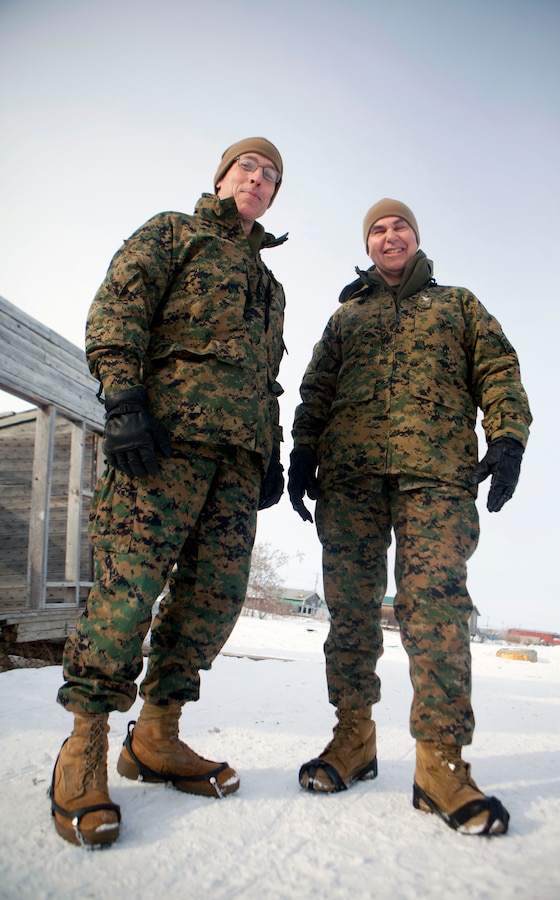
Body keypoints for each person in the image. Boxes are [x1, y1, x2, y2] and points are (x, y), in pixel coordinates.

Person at [49, 137, 287, 847]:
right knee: (130, 589)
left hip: (237, 462)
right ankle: (85, 743)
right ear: (221, 177)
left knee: (213, 600)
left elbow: (266, 377)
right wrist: (123, 398)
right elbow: (120, 305)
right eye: (248, 166)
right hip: (164, 440)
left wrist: (269, 449)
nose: (258, 179)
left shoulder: (271, 289)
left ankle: (156, 733)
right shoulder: (172, 232)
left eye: (271, 175)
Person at [288, 198, 531, 836]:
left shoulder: (458, 304)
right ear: (367, 245)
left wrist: (506, 437)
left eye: (399, 226)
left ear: (416, 239)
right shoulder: (347, 317)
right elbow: (317, 389)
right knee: (350, 612)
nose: (388, 235)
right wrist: (303, 452)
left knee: (436, 608)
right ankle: (353, 738)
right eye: (377, 228)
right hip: (351, 480)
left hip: (436, 476)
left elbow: (498, 369)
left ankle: (440, 763)